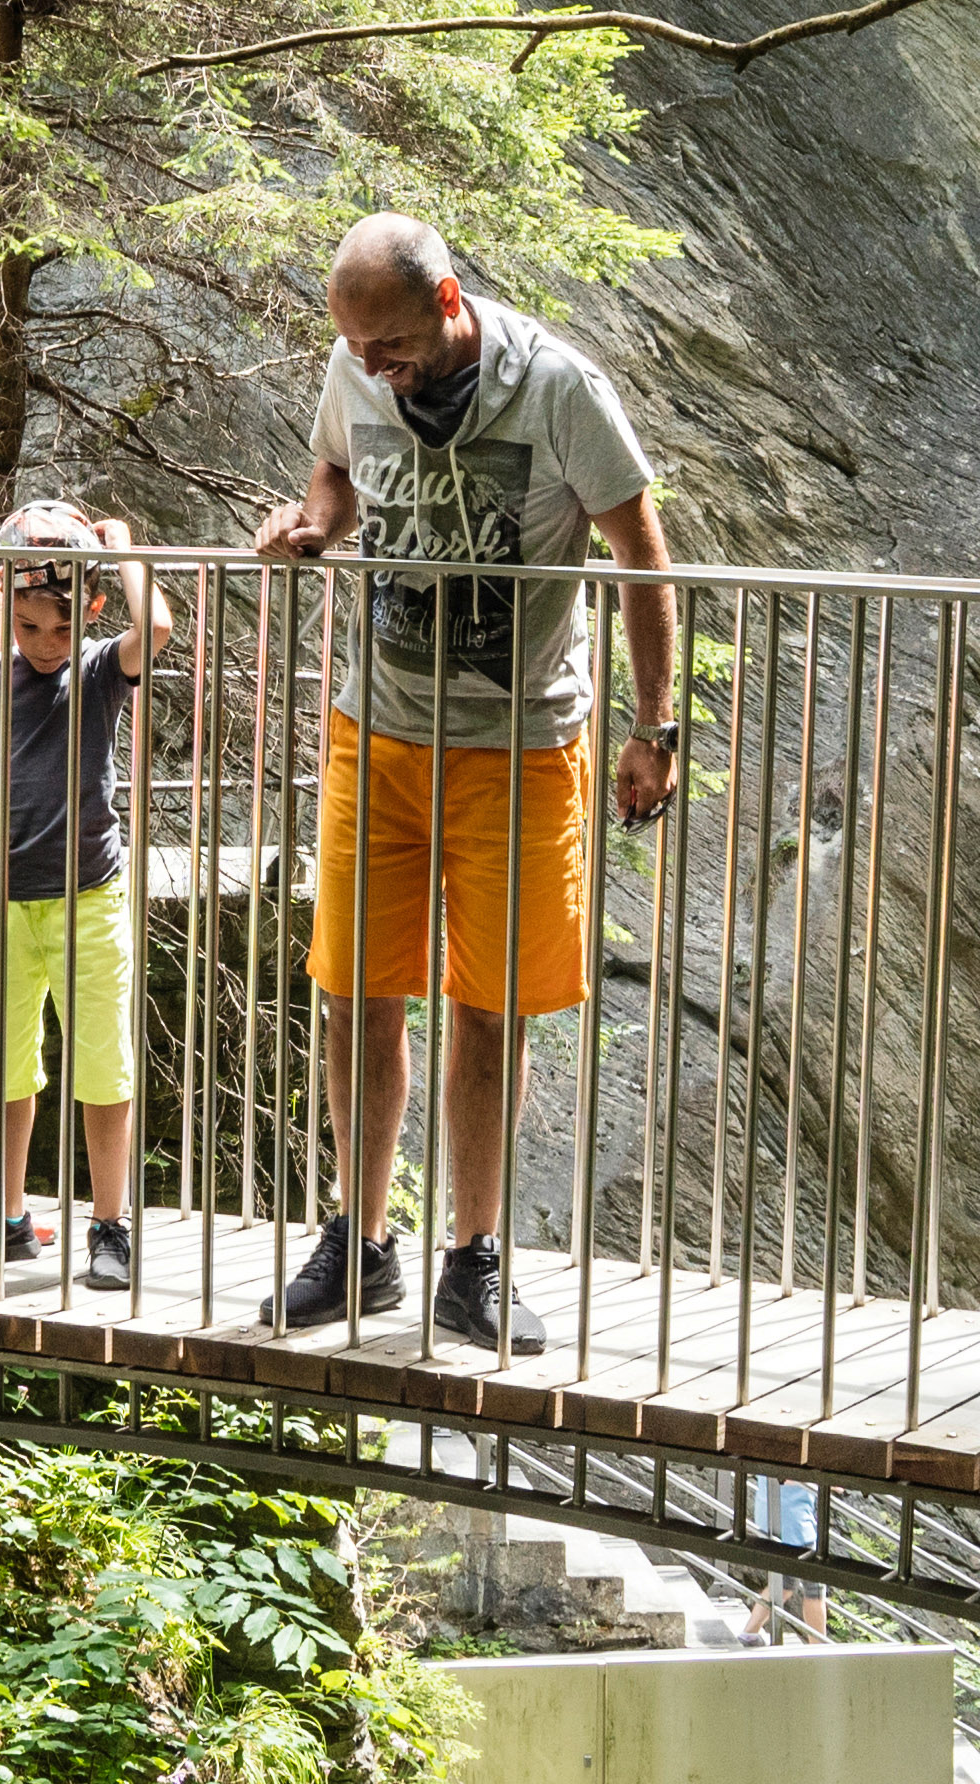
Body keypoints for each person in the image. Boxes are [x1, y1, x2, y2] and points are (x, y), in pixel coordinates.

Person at [247, 214, 682, 1358]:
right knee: (354, 990)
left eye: (391, 348)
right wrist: (314, 526)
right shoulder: (358, 360)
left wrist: (657, 725)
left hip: (521, 740)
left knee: (487, 1003)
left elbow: (641, 547)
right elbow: (337, 470)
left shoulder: (559, 388)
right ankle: (360, 1240)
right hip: (377, 729)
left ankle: (474, 1259)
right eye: (357, 349)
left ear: (448, 305)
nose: (373, 368)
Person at [0, 510, 178, 1291]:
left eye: (60, 627)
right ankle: (8, 1216)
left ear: (91, 611)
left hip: (87, 900)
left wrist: (123, 547)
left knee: (101, 1064)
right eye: (29, 625)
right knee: (5, 1067)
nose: (43, 642)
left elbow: (158, 627)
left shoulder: (99, 670)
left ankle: (110, 1224)